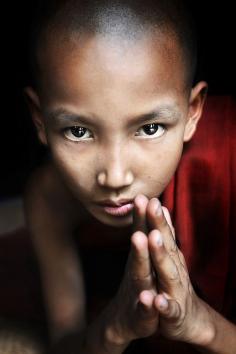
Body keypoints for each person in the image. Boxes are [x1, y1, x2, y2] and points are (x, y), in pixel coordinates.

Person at [23, 0, 236, 353]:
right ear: (40, 120)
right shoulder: (50, 199)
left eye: (150, 128)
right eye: (78, 132)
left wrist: (202, 324)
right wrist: (114, 328)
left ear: (193, 111)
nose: (115, 176)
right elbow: (66, 344)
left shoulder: (227, 151)